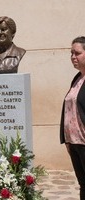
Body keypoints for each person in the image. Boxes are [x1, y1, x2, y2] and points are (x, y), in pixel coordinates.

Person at [60, 36, 85, 200]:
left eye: (77, 53)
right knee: (83, 184)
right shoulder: (77, 78)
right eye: (71, 53)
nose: (73, 57)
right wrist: (66, 139)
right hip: (74, 142)